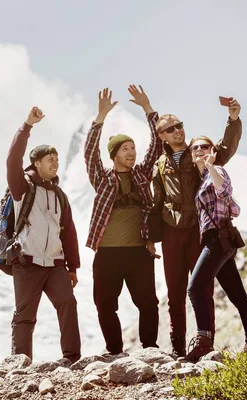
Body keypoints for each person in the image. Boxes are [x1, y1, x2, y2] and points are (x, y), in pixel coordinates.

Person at [150, 98, 242, 357]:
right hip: (170, 231)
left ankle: (205, 343)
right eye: (171, 128)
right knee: (174, 291)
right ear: (162, 136)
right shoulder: (160, 164)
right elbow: (157, 201)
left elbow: (225, 149)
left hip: (199, 230)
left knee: (202, 287)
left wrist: (233, 120)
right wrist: (151, 237)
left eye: (179, 125)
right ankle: (178, 346)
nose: (178, 130)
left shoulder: (198, 150)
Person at [84, 86, 163, 355]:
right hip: (106, 254)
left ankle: (150, 348)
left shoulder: (142, 174)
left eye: (133, 148)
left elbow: (158, 144)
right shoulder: (102, 179)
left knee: (148, 303)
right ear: (114, 153)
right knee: (105, 304)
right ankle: (115, 351)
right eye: (126, 148)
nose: (132, 152)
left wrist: (148, 108)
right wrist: (100, 117)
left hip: (139, 252)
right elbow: (89, 153)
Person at [6, 106, 81, 362]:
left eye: (57, 159)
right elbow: (12, 160)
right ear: (36, 164)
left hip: (55, 265)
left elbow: (68, 232)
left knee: (68, 305)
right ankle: (20, 365)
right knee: (25, 316)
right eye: (50, 159)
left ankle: (72, 359)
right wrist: (27, 126)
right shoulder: (22, 187)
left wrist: (73, 267)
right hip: (27, 263)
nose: (55, 163)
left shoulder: (60, 195)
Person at [183, 136, 247, 361]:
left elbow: (224, 192)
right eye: (195, 147)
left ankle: (204, 343)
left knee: (195, 288)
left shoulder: (217, 171)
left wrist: (210, 165)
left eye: (204, 146)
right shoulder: (202, 177)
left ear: (213, 150)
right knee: (238, 296)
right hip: (216, 241)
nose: (199, 150)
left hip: (218, 240)